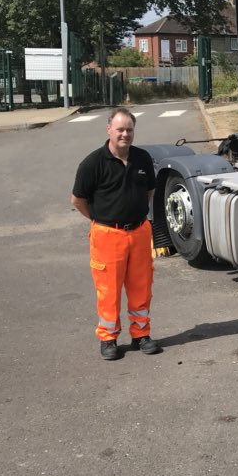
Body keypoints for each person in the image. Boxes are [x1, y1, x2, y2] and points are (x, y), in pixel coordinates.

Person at [71, 107, 162, 361]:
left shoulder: (142, 158)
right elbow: (78, 200)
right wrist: (100, 220)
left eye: (129, 130)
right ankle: (108, 339)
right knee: (108, 290)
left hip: (139, 232)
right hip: (107, 235)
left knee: (141, 287)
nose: (125, 134)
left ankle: (141, 335)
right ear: (109, 129)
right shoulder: (92, 163)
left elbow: (149, 192)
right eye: (120, 129)